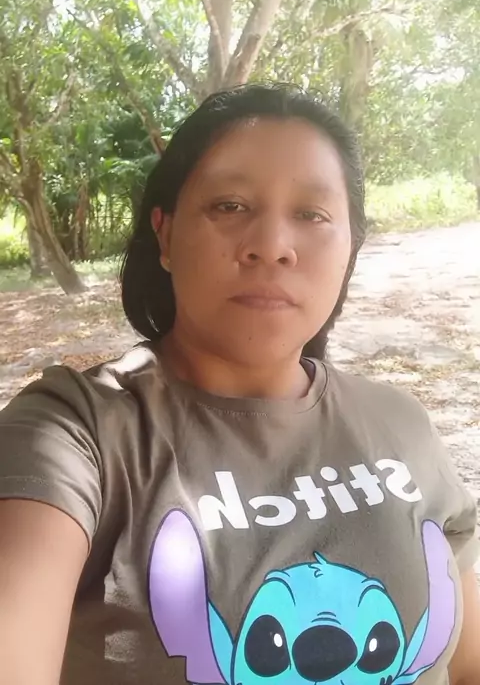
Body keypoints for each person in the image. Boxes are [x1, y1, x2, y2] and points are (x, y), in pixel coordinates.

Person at [0, 83, 478, 685]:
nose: (271, 247)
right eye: (229, 206)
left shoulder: (401, 424)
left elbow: (466, 663)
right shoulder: (75, 433)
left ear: (351, 246)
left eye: (311, 214)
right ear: (165, 235)